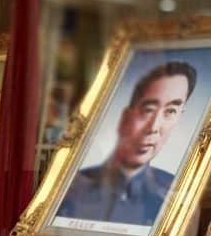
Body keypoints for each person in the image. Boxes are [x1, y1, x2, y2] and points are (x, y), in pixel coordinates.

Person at [56, 60, 196, 227]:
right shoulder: (72, 186)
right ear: (125, 117)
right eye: (148, 109)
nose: (154, 127)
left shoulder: (179, 191)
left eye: (171, 111)